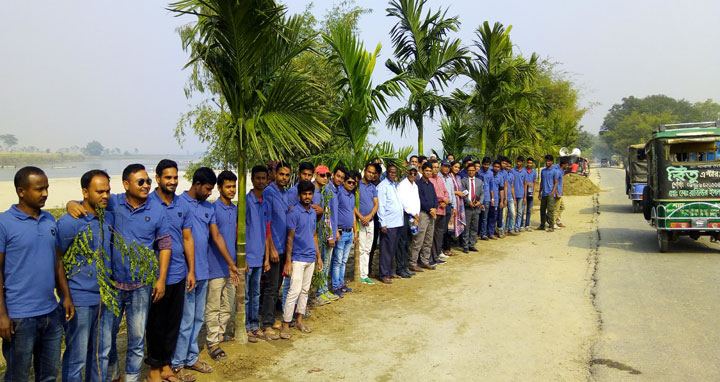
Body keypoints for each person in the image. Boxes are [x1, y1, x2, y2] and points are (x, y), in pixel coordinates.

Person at [69, 163, 170, 382]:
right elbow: (88, 202)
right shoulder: (113, 202)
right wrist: (70, 204)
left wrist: (161, 279)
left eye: (148, 181)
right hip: (112, 286)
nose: (146, 186)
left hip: (141, 287)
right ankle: (112, 376)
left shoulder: (157, 209)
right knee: (105, 340)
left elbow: (165, 246)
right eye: (140, 182)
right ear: (126, 184)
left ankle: (132, 378)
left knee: (136, 339)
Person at [0, 167, 74, 382]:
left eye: (47, 188)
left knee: (49, 375)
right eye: (39, 189)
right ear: (21, 191)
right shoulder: (4, 224)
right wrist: (2, 315)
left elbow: (57, 260)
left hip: (50, 313)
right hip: (19, 317)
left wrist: (66, 295)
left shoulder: (50, 219)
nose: (45, 194)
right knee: (18, 376)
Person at [173, 167, 241, 380]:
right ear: (197, 184)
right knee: (185, 320)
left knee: (197, 319)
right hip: (185, 273)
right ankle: (177, 363)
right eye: (208, 189)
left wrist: (231, 263)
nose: (210, 193)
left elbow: (217, 236)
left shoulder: (207, 208)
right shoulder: (179, 202)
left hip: (203, 271)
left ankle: (191, 357)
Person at [57, 170, 112, 382]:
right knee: (76, 357)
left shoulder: (105, 218)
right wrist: (66, 295)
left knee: (101, 353)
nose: (105, 196)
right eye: (99, 191)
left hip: (105, 298)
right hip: (79, 299)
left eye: (107, 191)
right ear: (85, 192)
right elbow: (57, 259)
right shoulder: (70, 222)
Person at [146, 159, 195, 382]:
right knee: (155, 324)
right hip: (154, 276)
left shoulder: (182, 205)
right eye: (168, 177)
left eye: (175, 177)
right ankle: (154, 369)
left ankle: (166, 365)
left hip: (178, 273)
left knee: (172, 324)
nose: (173, 181)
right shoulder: (147, 202)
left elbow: (187, 238)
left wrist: (191, 270)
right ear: (157, 178)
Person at [281, 181, 323, 340]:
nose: (307, 197)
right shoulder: (293, 213)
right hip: (297, 258)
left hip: (310, 257)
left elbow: (314, 235)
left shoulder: (313, 212)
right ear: (299, 195)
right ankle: (285, 324)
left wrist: (318, 256)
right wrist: (288, 260)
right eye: (304, 194)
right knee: (294, 291)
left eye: (309, 194)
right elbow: (289, 238)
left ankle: (299, 320)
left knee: (305, 291)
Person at [206, 170, 239, 356]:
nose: (232, 190)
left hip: (232, 266)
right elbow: (215, 237)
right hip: (215, 266)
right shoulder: (213, 209)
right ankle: (212, 342)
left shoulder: (235, 210)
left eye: (234, 186)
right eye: (228, 187)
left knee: (228, 305)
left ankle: (219, 335)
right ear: (219, 189)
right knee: (214, 306)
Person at [261, 162, 288, 340]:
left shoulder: (285, 193)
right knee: (270, 288)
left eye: (287, 175)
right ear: (275, 174)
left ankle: (270, 318)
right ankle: (266, 324)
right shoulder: (269, 193)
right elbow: (267, 223)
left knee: (277, 285)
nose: (284, 178)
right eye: (281, 174)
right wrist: (270, 249)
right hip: (274, 248)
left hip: (284, 247)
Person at [244, 166, 271, 343]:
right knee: (245, 295)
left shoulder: (266, 203)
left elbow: (267, 232)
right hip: (247, 257)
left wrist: (267, 257)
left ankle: (255, 326)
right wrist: (242, 257)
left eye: (264, 178)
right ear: (252, 179)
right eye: (258, 178)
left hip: (260, 257)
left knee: (255, 294)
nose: (261, 181)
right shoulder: (246, 202)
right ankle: (245, 327)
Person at [283, 161, 315, 308]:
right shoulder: (291, 194)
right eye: (304, 174)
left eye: (309, 175)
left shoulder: (312, 191)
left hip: (308, 244)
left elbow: (315, 211)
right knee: (291, 286)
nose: (306, 177)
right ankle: (286, 311)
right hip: (295, 247)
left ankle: (298, 311)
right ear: (299, 174)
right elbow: (290, 215)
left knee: (302, 287)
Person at [313, 165, 343, 305]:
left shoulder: (328, 190)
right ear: (316, 174)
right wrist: (330, 234)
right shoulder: (321, 191)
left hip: (328, 231)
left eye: (327, 175)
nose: (325, 178)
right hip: (321, 234)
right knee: (322, 264)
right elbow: (326, 215)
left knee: (327, 263)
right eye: (322, 175)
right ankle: (320, 291)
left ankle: (324, 290)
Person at [376, 164, 404, 284]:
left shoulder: (394, 185)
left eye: (395, 172)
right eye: (391, 172)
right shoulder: (383, 186)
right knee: (386, 249)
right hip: (389, 223)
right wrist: (383, 223)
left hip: (397, 222)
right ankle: (384, 274)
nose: (393, 174)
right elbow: (380, 205)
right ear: (387, 173)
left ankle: (390, 271)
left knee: (392, 249)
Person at [331, 171, 357, 296]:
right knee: (337, 260)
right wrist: (335, 230)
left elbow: (352, 213)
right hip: (340, 231)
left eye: (354, 183)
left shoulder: (352, 196)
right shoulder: (339, 193)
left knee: (344, 260)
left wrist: (355, 231)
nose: (351, 184)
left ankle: (341, 284)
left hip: (349, 232)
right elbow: (334, 212)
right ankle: (335, 286)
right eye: (349, 182)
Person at [409, 163, 438, 270]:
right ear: (422, 171)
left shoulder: (430, 184)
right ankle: (413, 262)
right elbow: (420, 199)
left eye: (430, 171)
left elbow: (435, 198)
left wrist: (435, 208)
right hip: (422, 214)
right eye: (426, 171)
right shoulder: (418, 184)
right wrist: (430, 209)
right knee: (418, 239)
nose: (429, 173)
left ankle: (425, 260)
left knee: (428, 239)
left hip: (432, 215)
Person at [355, 164, 378, 285]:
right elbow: (352, 204)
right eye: (369, 172)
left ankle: (365, 274)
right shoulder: (357, 185)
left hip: (370, 221)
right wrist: (361, 217)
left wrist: (369, 216)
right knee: (361, 248)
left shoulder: (373, 187)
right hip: (360, 221)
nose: (371, 174)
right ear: (364, 171)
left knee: (368, 249)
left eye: (373, 173)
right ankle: (361, 275)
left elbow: (376, 204)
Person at [396, 165, 420, 278]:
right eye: (411, 173)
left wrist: (417, 216)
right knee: (402, 243)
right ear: (407, 173)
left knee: (408, 243)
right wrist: (413, 214)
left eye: (415, 173)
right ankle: (400, 268)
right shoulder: (402, 185)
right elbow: (403, 202)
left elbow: (417, 201)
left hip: (413, 217)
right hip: (405, 216)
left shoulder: (415, 186)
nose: (413, 175)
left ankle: (405, 266)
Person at [428, 159, 449, 265]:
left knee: (439, 236)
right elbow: (433, 195)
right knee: (431, 236)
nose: (435, 169)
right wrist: (443, 199)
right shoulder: (429, 180)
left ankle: (436, 257)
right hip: (434, 211)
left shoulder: (440, 179)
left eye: (437, 167)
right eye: (433, 167)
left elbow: (446, 192)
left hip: (443, 210)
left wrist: (446, 200)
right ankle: (430, 258)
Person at [461, 164, 483, 252]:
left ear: (475, 171)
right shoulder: (464, 181)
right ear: (467, 171)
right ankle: (465, 245)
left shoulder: (479, 181)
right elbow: (463, 193)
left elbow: (482, 193)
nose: (471, 172)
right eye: (469, 170)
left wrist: (480, 202)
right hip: (467, 207)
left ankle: (472, 244)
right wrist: (468, 202)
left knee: (474, 227)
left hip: (476, 207)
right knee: (466, 227)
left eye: (472, 170)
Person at [537, 155, 560, 232]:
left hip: (550, 194)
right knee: (542, 210)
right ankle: (542, 225)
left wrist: (552, 192)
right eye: (546, 161)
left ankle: (551, 226)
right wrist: (539, 192)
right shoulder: (543, 171)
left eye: (549, 161)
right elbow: (541, 182)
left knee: (550, 210)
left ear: (552, 162)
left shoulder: (555, 171)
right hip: (544, 194)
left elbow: (556, 183)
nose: (547, 162)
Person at [440, 159, 457, 257]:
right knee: (441, 229)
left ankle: (447, 249)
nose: (446, 168)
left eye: (448, 166)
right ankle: (440, 249)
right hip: (442, 205)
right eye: (445, 166)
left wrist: (454, 207)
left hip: (449, 205)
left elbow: (452, 193)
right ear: (441, 166)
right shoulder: (438, 177)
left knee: (448, 229)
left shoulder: (450, 179)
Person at [449, 161, 466, 242]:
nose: (457, 169)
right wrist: (456, 192)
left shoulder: (458, 177)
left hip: (459, 202)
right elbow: (447, 190)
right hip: (452, 201)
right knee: (450, 223)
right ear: (451, 167)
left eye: (459, 167)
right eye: (455, 167)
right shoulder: (448, 177)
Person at [488, 161, 503, 239]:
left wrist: (501, 200)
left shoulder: (500, 177)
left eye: (498, 167)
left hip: (496, 200)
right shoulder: (489, 174)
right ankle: (485, 232)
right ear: (492, 166)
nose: (496, 168)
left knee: (494, 216)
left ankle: (491, 232)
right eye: (495, 166)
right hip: (487, 198)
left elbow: (501, 189)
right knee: (486, 216)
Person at [511, 156, 527, 234]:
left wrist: (525, 196)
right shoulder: (512, 171)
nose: (518, 163)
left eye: (520, 162)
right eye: (517, 161)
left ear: (522, 163)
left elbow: (525, 184)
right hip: (513, 194)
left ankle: (517, 227)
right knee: (512, 212)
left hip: (521, 194)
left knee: (519, 212)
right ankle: (510, 227)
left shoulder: (524, 172)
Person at [478, 157, 493, 240]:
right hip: (477, 197)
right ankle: (477, 232)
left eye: (488, 164)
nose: (486, 166)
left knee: (484, 217)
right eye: (485, 164)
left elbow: (491, 187)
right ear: (482, 164)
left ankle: (483, 233)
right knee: (477, 217)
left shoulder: (490, 174)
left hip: (487, 197)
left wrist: (492, 198)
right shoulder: (478, 172)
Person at [523, 158, 537, 231]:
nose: (529, 164)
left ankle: (527, 225)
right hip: (523, 192)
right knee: (522, 209)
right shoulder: (523, 171)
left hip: (530, 192)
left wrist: (534, 192)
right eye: (528, 163)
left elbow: (535, 182)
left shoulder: (534, 172)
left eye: (531, 163)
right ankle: (521, 225)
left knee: (529, 210)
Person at [554, 158, 569, 228]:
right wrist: (557, 193)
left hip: (559, 192)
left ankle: (557, 221)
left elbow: (561, 182)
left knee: (562, 207)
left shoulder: (562, 171)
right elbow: (555, 183)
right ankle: (553, 222)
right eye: (566, 165)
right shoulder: (557, 172)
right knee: (556, 209)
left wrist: (562, 190)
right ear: (563, 165)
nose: (567, 166)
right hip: (557, 193)